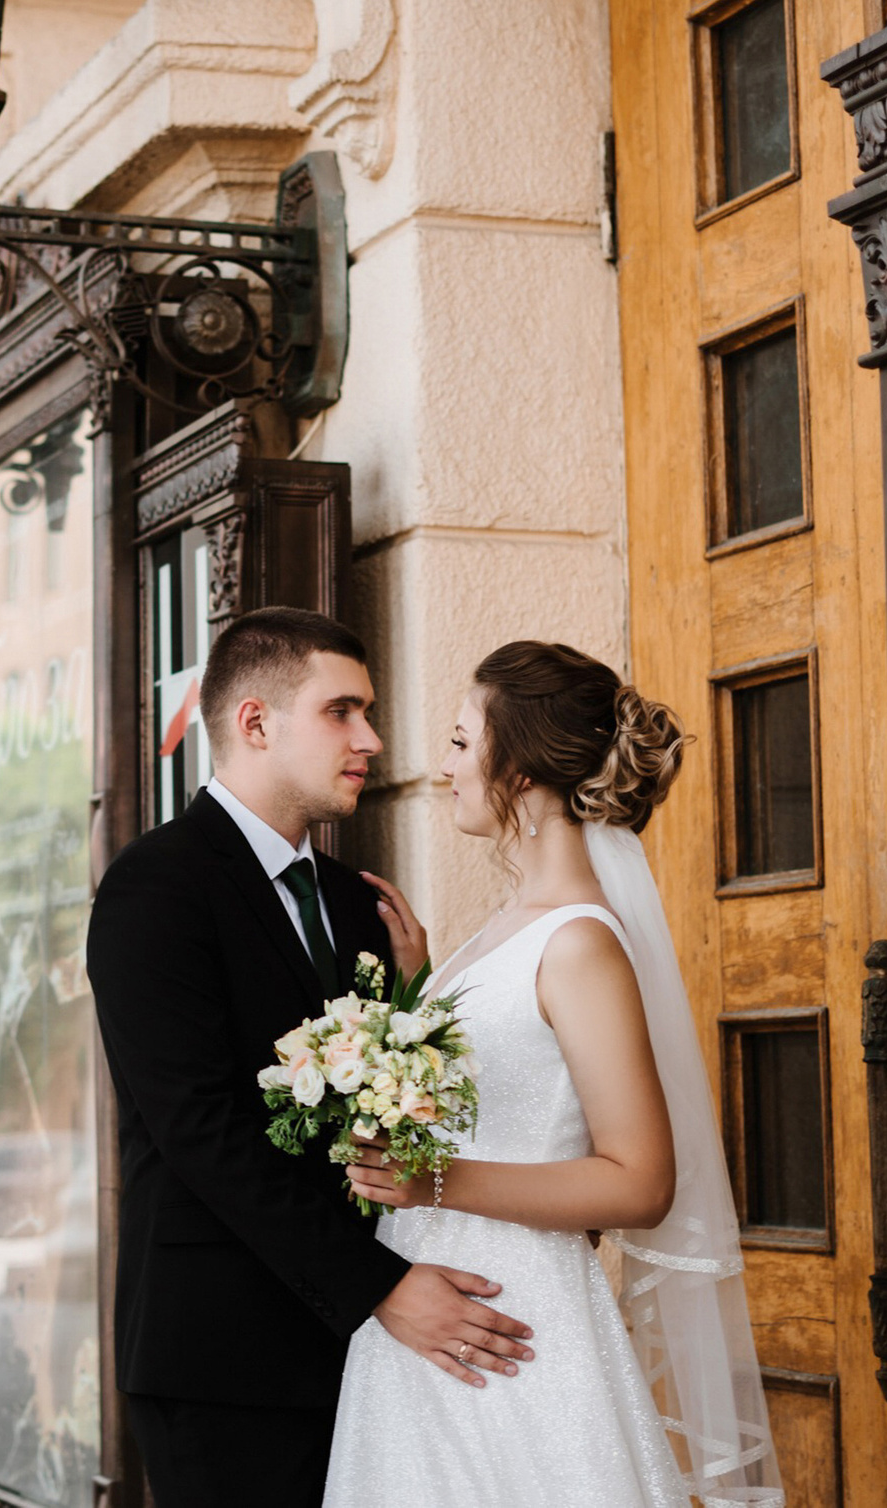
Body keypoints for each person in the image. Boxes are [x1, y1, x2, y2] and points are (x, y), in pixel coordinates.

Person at [86, 607, 537, 1508]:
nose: (370, 738)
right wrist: (383, 1289)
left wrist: (415, 1000)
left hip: (373, 1356)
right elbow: (201, 1129)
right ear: (256, 722)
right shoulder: (154, 886)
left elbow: (387, 1112)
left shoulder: (356, 900)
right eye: (343, 711)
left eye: (367, 712)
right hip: (224, 1357)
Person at [324, 640, 784, 1506]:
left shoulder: (578, 943)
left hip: (511, 1321)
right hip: (424, 1307)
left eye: (462, 743)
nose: (443, 768)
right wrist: (423, 992)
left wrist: (434, 1181)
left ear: (522, 766)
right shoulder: (499, 930)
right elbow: (509, 1089)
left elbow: (640, 1182)